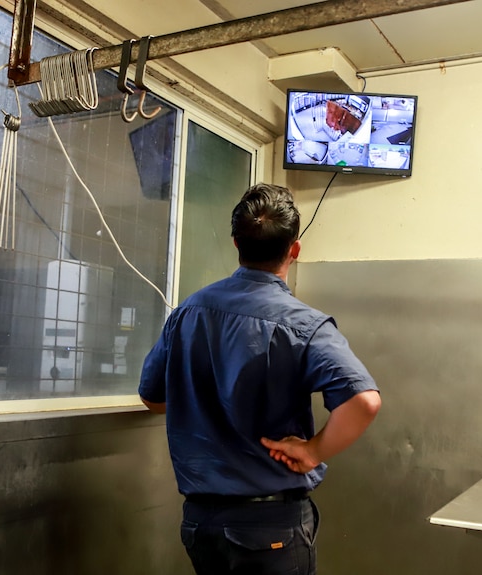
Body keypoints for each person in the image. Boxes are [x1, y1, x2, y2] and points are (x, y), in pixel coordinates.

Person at [138, 182, 381, 575]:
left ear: (236, 244)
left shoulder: (186, 313)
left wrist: (201, 400)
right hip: (271, 527)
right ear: (294, 249)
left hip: (201, 525)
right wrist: (313, 451)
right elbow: (363, 401)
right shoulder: (304, 325)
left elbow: (152, 397)